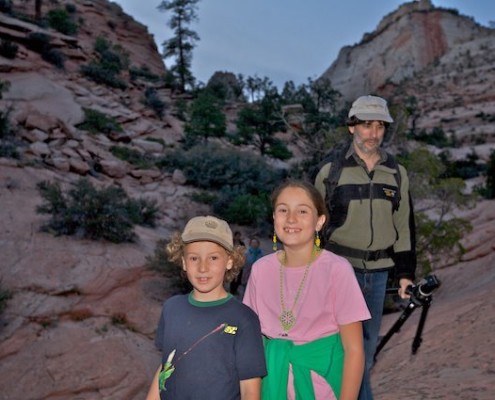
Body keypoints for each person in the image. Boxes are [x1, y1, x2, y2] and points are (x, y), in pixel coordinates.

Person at [314, 95, 417, 400]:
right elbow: (309, 225)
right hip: (336, 271)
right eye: (366, 125)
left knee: (366, 349)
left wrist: (405, 273)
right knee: (341, 349)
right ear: (351, 127)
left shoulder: (396, 173)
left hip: (378, 275)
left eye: (379, 126)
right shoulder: (330, 173)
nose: (373, 133)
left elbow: (404, 226)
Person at [243, 180, 370, 399]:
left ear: (319, 221)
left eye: (302, 211)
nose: (291, 219)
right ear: (274, 218)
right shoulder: (261, 270)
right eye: (283, 210)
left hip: (323, 385)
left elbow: (354, 350)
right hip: (271, 384)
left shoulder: (336, 270)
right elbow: (252, 344)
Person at [146, 216, 267, 400]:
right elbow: (166, 365)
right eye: (194, 258)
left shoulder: (244, 318)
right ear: (184, 262)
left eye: (213, 258)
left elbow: (250, 389)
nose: (203, 267)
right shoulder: (172, 307)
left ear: (229, 261)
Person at [230, 231, 246, 295]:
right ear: (234, 236)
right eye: (237, 236)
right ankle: (232, 290)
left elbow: (244, 252)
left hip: (239, 262)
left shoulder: (242, 243)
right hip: (232, 261)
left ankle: (235, 290)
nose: (238, 237)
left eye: (239, 236)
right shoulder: (231, 242)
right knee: (232, 276)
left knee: (239, 277)